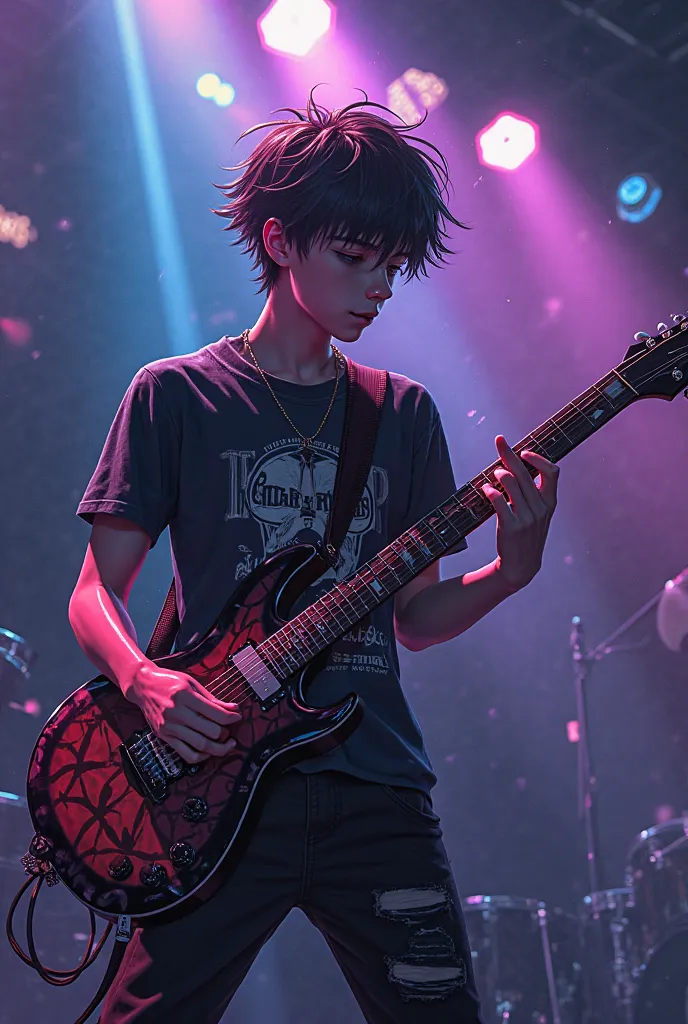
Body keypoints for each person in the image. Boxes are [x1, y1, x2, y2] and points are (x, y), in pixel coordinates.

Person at [69, 89, 559, 1023]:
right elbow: (94, 592)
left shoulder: (404, 413)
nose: (377, 286)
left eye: (391, 267)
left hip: (374, 784)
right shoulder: (175, 396)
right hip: (214, 791)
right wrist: (145, 682)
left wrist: (514, 568)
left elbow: (413, 621)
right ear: (280, 239)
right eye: (353, 257)